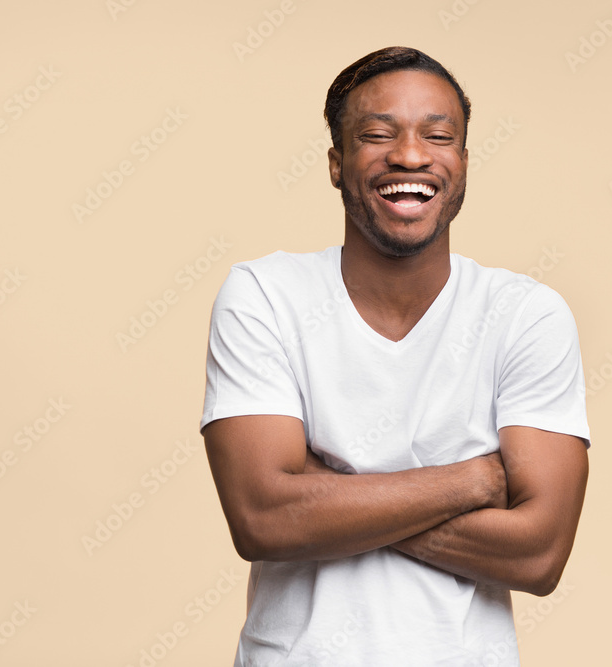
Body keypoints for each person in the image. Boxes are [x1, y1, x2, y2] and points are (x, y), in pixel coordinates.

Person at [200, 46, 590, 666]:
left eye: (439, 136)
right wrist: (477, 479)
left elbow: (537, 555)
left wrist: (326, 494)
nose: (410, 155)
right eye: (377, 135)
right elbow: (263, 519)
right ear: (336, 163)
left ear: (462, 161)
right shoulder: (266, 296)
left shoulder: (525, 315)